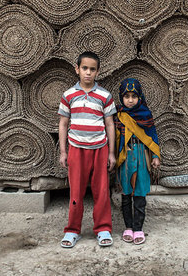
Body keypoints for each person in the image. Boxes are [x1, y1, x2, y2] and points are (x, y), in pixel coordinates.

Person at [58, 51, 117, 248]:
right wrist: (64, 152)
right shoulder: (68, 95)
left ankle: (103, 228)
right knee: (76, 192)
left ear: (98, 71)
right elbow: (63, 124)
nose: (88, 73)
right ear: (77, 69)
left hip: (99, 148)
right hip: (76, 148)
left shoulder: (105, 96)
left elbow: (110, 124)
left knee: (101, 191)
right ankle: (73, 230)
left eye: (92, 69)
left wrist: (111, 153)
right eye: (84, 68)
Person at [115, 78, 160, 245]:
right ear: (121, 97)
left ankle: (138, 228)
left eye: (134, 96)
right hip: (125, 157)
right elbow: (114, 138)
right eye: (126, 96)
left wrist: (155, 156)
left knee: (139, 193)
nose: (130, 100)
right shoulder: (119, 114)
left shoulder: (145, 114)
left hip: (141, 155)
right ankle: (128, 227)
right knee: (126, 194)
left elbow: (152, 135)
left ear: (139, 96)